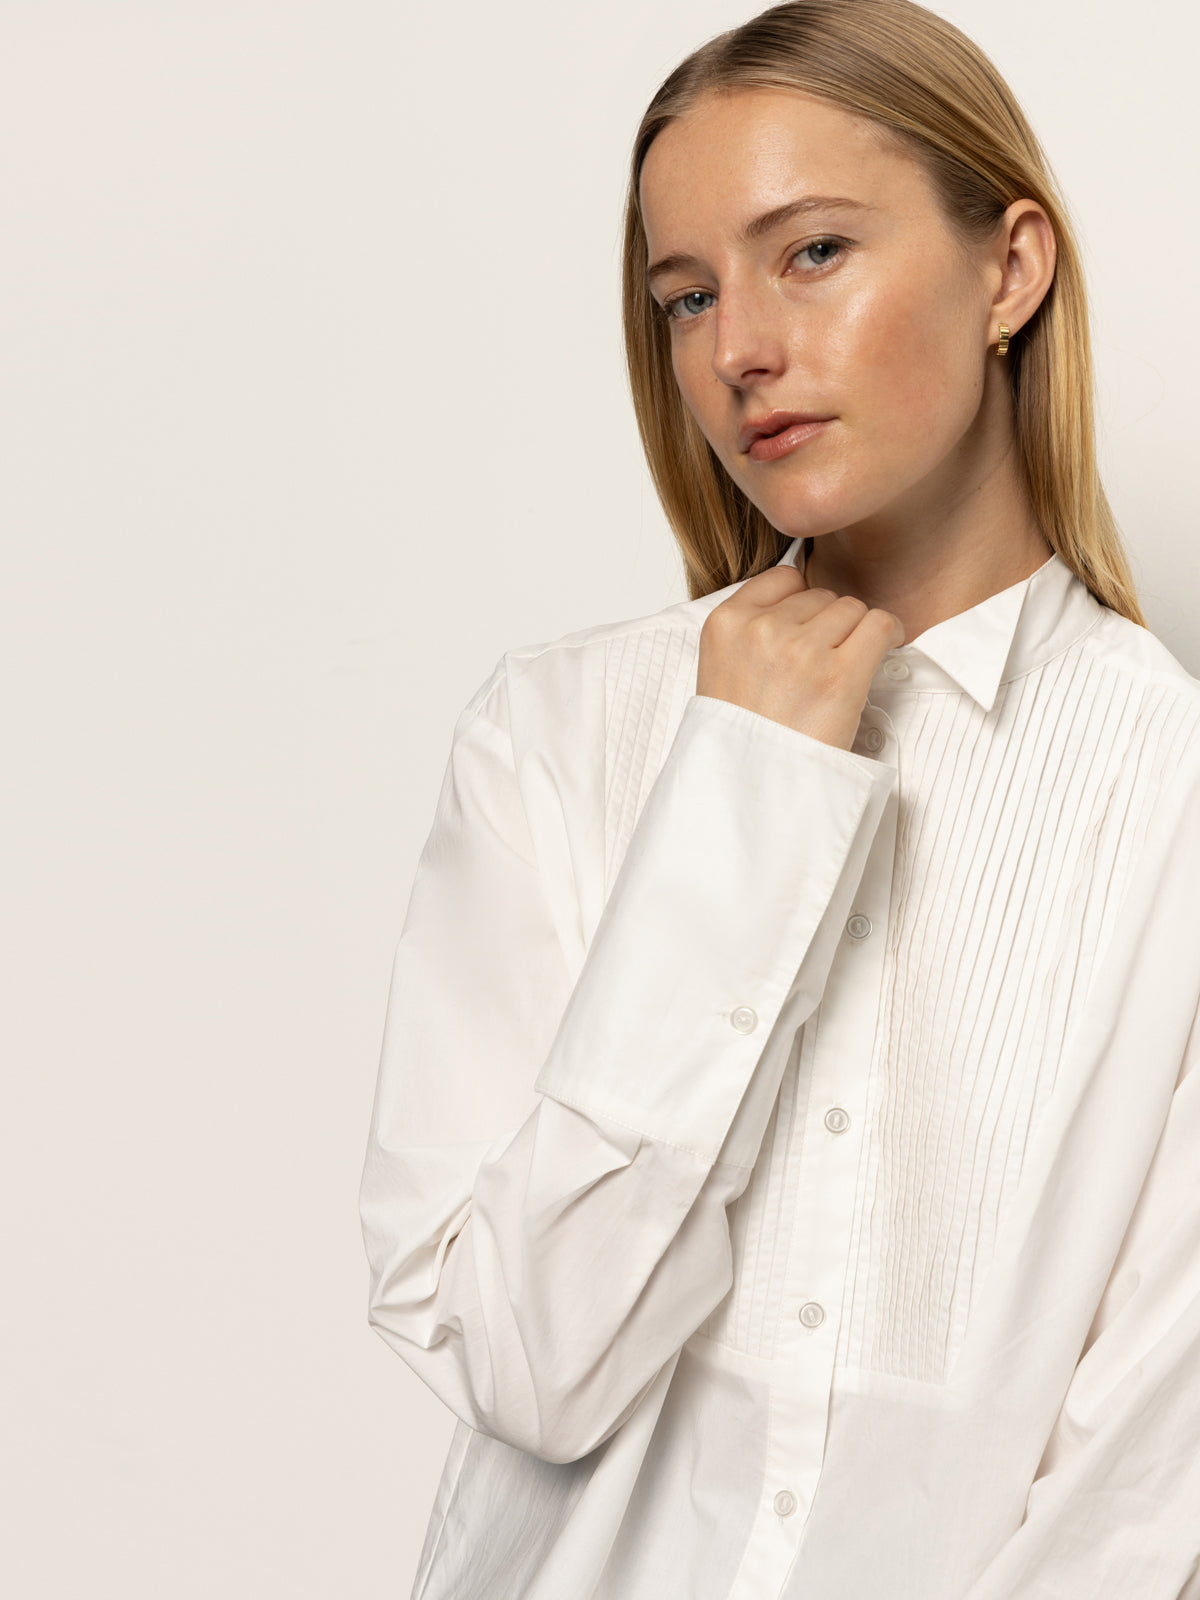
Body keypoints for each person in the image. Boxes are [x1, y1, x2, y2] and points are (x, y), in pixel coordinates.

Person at [358, 2, 1200, 1595]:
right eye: (687, 294)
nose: (737, 347)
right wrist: (737, 814)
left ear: (1010, 270)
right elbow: (527, 1365)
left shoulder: (1172, 803)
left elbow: (1141, 1498)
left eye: (811, 252)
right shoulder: (555, 737)